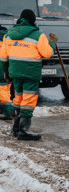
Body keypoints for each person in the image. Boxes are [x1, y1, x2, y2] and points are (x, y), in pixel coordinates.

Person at [0, 9, 57, 140]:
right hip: (30, 73)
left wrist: (6, 72)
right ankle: (23, 131)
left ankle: (15, 128)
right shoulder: (38, 35)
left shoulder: (8, 35)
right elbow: (47, 53)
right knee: (28, 101)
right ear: (33, 21)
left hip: (15, 72)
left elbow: (3, 57)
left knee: (18, 98)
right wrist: (52, 43)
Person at [0, 25, 12, 120]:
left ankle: (7, 113)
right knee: (7, 90)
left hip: (1, 69)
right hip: (9, 68)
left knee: (2, 92)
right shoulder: (8, 36)